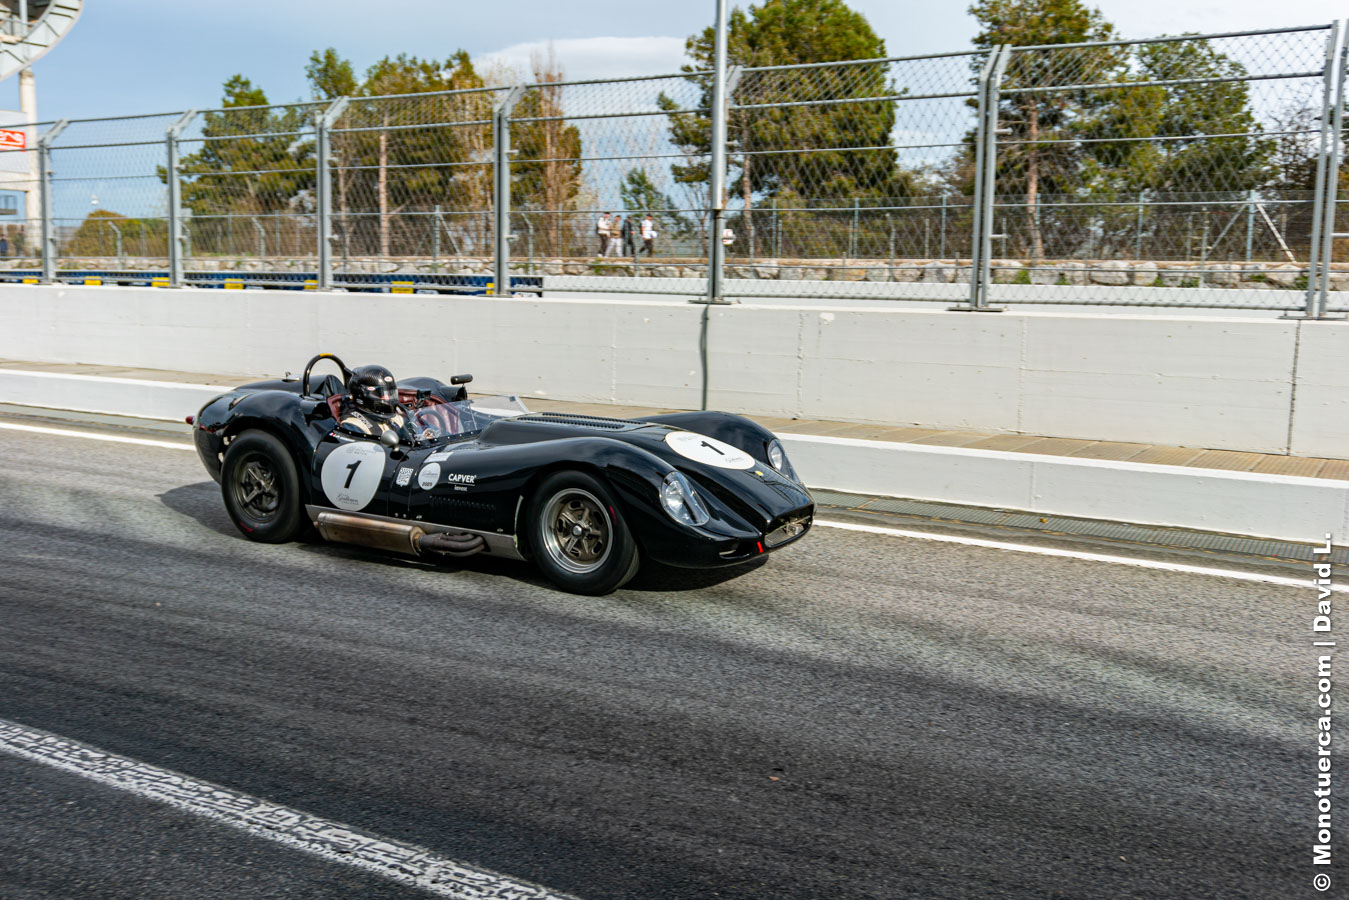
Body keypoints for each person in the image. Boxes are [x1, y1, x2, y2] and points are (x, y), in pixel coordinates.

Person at [340, 364, 414, 440]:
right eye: (380, 393)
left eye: (390, 393)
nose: (387, 398)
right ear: (362, 395)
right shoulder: (353, 425)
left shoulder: (397, 420)